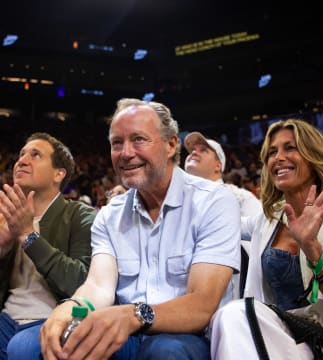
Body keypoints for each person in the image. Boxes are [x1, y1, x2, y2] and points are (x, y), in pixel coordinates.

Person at [39, 98, 241, 360]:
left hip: (190, 337)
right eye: (116, 143)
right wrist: (72, 307)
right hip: (125, 333)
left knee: (165, 352)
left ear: (170, 145)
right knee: (30, 345)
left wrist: (133, 314)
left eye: (138, 139)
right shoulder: (109, 215)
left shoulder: (214, 201)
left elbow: (201, 305)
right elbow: (99, 287)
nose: (125, 153)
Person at [210, 119, 323, 359]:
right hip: (277, 335)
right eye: (272, 152)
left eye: (290, 148)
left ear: (313, 155)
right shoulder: (266, 220)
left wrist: (311, 248)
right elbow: (221, 226)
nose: (278, 157)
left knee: (236, 314)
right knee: (226, 319)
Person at [0, 132, 96, 359]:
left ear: (58, 174)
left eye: (35, 155)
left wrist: (28, 236)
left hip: (52, 319)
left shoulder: (81, 216)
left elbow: (80, 282)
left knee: (22, 349)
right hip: (6, 317)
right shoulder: (5, 216)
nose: (22, 160)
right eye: (22, 154)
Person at [184, 132, 262, 217]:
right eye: (192, 150)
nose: (194, 153)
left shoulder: (240, 198)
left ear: (218, 166)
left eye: (203, 150)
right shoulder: (181, 201)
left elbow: (261, 228)